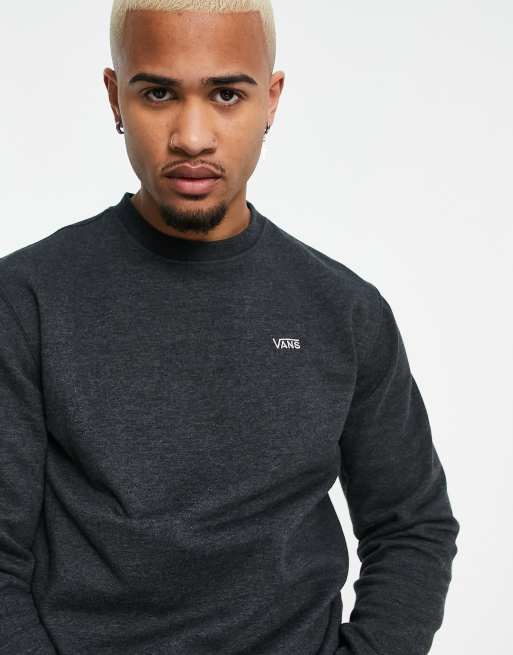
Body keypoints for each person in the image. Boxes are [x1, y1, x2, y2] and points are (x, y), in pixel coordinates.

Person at [0, 1, 459, 654]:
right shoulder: (25, 301)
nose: (192, 137)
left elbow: (412, 525)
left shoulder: (345, 312)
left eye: (225, 94)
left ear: (270, 99)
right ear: (114, 97)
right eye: (158, 93)